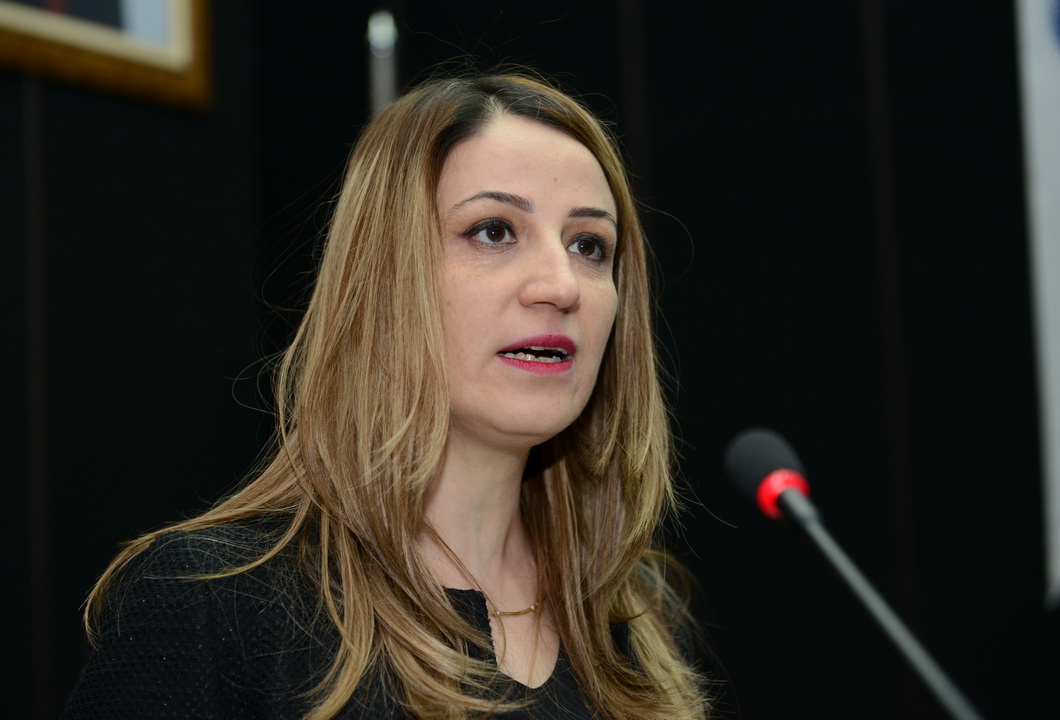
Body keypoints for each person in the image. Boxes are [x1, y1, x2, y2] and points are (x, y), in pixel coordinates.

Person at [63, 71, 711, 719]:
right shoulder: (213, 603)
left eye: (589, 245)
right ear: (384, 276)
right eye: (494, 231)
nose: (561, 285)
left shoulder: (640, 621)